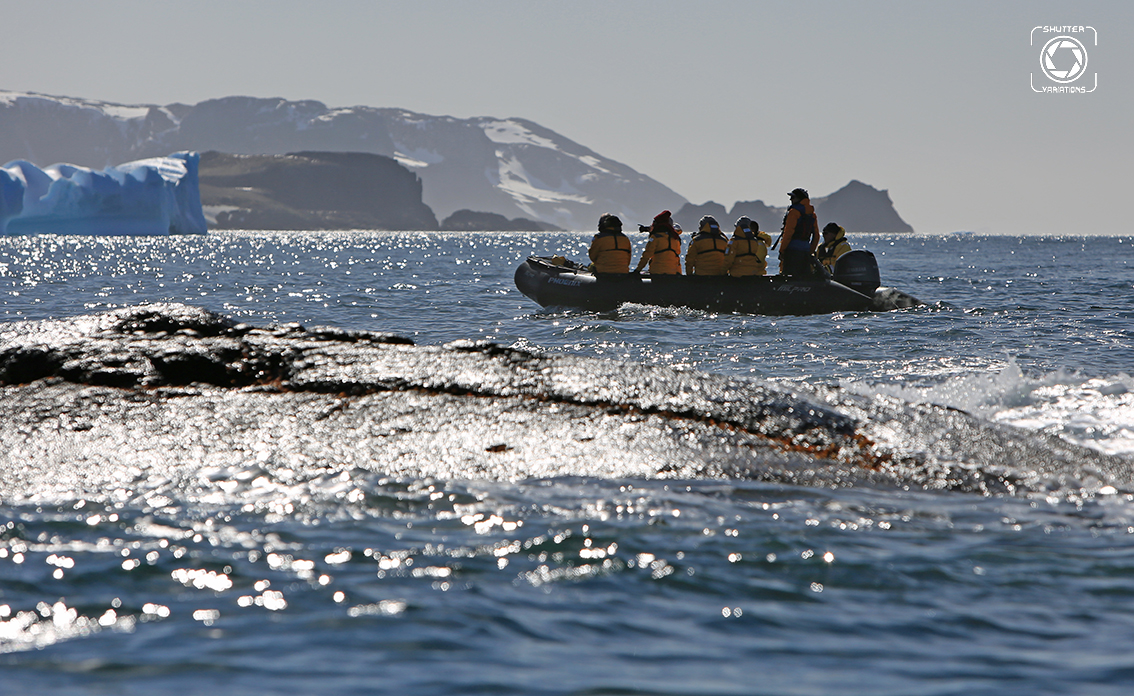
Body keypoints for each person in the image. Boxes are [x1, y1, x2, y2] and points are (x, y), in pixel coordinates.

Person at [778, 188, 820, 276]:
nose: (790, 200)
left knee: (788, 278)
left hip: (792, 251)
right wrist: (810, 251)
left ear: (800, 199)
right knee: (805, 278)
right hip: (805, 251)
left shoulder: (794, 212)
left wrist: (782, 250)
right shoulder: (812, 214)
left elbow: (788, 233)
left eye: (793, 197)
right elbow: (816, 236)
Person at [634, 210, 682, 275]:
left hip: (657, 272)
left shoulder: (655, 238)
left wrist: (637, 270)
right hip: (672, 272)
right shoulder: (675, 239)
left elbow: (646, 256)